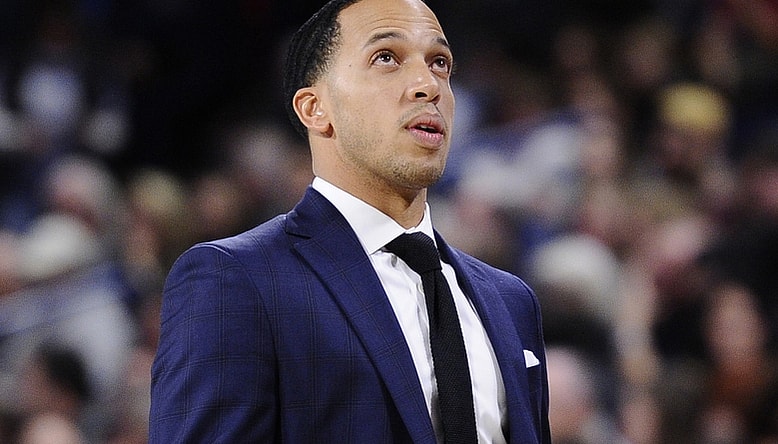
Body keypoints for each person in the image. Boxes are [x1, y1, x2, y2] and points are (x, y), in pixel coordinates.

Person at [148, 0, 551, 442]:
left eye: (440, 63)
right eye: (386, 58)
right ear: (314, 108)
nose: (427, 85)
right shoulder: (236, 279)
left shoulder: (512, 301)